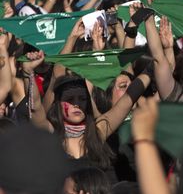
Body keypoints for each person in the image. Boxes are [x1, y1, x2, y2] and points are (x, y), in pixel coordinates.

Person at [21, 50, 151, 172]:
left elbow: (128, 99)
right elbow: (35, 108)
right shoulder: (51, 133)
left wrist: (153, 66)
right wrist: (28, 73)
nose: (77, 104)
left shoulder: (98, 129)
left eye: (82, 98)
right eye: (70, 99)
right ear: (58, 105)